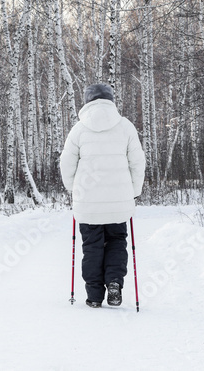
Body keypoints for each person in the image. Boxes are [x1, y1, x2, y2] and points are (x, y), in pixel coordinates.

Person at [60, 83, 145, 308]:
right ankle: (115, 281)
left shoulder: (79, 129)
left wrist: (73, 189)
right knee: (117, 241)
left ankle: (94, 296)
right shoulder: (125, 126)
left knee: (92, 246)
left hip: (87, 203)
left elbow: (66, 163)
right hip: (120, 203)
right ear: (110, 100)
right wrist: (134, 192)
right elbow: (137, 163)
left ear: (88, 101)